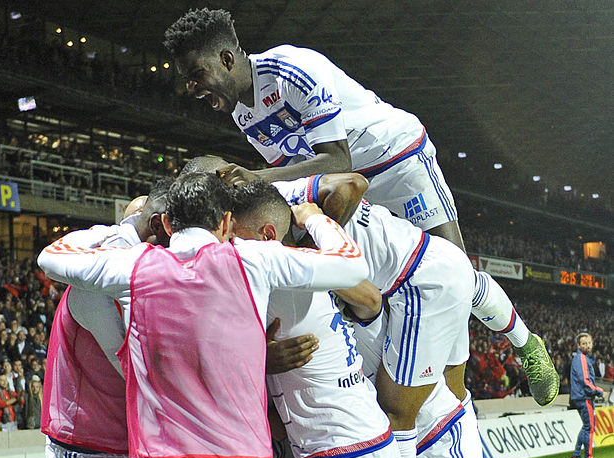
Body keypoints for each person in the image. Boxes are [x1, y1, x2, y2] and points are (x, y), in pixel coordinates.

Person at [163, 7, 559, 407]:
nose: (192, 87)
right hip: (350, 187)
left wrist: (258, 178)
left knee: (454, 268)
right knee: (390, 279)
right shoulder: (242, 112)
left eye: (196, 74)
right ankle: (443, 405)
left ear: (226, 59)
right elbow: (295, 174)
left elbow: (338, 159)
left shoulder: (292, 70)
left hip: (397, 162)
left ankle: (525, 344)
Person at [37, 172, 369, 458]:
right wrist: (315, 218)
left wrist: (118, 230)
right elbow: (350, 265)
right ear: (227, 222)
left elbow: (52, 256)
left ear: (169, 225)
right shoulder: (253, 260)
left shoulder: (134, 267)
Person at [273, 173, 483, 458]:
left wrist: (523, 340)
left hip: (418, 437)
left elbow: (349, 184)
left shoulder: (424, 289)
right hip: (375, 448)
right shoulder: (360, 295)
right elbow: (366, 294)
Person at [230, 180, 397, 458]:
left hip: (339, 457)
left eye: (235, 237)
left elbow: (367, 289)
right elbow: (369, 296)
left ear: (268, 236)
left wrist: (316, 217)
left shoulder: (278, 268)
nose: (228, 247)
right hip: (368, 446)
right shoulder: (304, 269)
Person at [41, 187, 169, 458]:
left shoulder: (141, 275)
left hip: (135, 448)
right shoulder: (97, 286)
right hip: (89, 451)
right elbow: (142, 377)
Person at [569, 332, 606, 458]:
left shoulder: (580, 358)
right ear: (579, 345)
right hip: (584, 397)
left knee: (586, 426)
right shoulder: (582, 359)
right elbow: (585, 381)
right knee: (589, 427)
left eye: (589, 343)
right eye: (584, 343)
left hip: (579, 396)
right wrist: (598, 391)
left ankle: (577, 455)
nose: (587, 346)